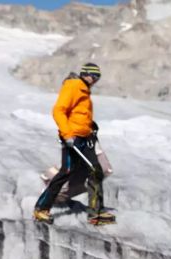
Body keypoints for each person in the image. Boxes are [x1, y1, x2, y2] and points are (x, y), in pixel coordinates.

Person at [34, 63, 115, 226]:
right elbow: (59, 110)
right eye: (93, 76)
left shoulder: (84, 89)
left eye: (98, 77)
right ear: (85, 74)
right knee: (66, 172)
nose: (95, 80)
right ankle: (41, 209)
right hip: (73, 139)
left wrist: (89, 125)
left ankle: (96, 213)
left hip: (85, 138)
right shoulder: (73, 86)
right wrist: (68, 135)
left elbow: (78, 115)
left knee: (95, 171)